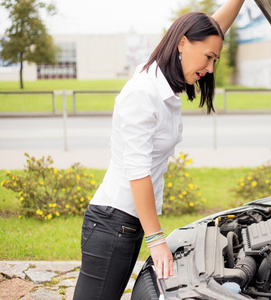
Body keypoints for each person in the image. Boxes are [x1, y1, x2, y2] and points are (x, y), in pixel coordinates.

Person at [73, 1, 245, 299]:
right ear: (181, 43)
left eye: (214, 59)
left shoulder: (161, 78)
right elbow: (137, 172)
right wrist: (156, 240)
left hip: (125, 224)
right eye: (208, 58)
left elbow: (210, 30)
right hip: (112, 224)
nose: (210, 67)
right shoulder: (144, 93)